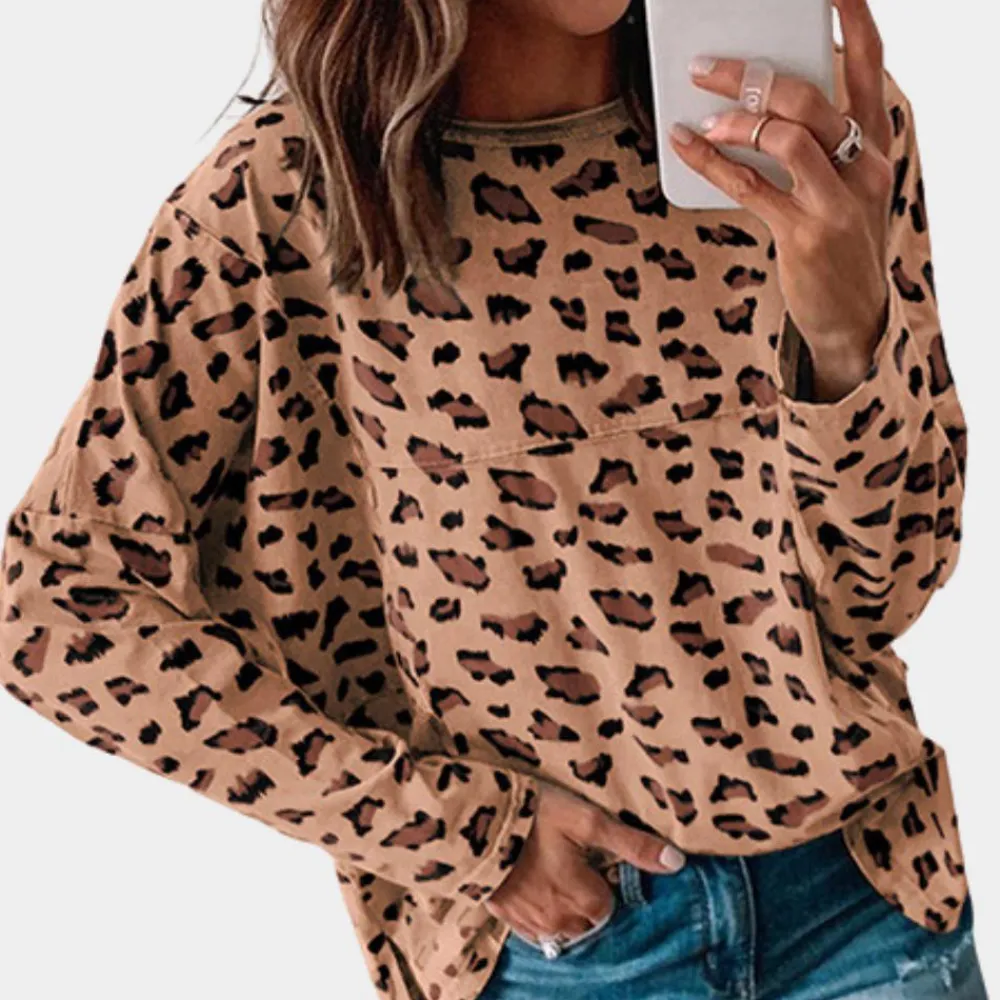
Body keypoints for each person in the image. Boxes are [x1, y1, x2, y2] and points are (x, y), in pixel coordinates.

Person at [0, 0, 989, 997]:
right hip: (564, 955)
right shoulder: (286, 198)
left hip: (859, 901)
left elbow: (888, 585)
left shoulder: (807, 133)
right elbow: (50, 605)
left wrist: (847, 334)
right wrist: (456, 831)